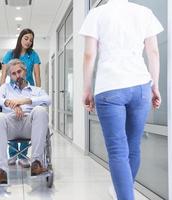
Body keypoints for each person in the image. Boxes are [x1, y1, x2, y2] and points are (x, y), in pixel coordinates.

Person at [79, 0, 163, 199]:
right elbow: (153, 52)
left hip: (110, 86)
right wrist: (155, 86)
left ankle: (123, 194)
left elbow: (90, 55)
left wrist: (86, 89)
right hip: (141, 84)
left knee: (117, 150)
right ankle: (122, 192)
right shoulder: (144, 12)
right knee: (133, 146)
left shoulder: (97, 14)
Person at [0, 59, 50, 185]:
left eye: (19, 71)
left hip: (29, 125)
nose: (17, 75)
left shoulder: (36, 90)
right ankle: (1, 171)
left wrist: (24, 101)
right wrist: (8, 102)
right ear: (11, 76)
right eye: (13, 74)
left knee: (40, 111)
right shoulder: (5, 88)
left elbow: (48, 100)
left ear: (25, 71)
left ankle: (36, 163)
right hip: (10, 124)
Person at [0, 28, 42, 168]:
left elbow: (37, 76)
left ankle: (23, 155)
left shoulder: (33, 55)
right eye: (26, 38)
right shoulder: (9, 54)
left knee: (25, 117)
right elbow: (3, 76)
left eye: (31, 40)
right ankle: (12, 154)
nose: (28, 42)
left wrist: (38, 94)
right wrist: (2, 94)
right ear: (20, 39)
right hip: (12, 91)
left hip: (27, 90)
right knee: (11, 116)